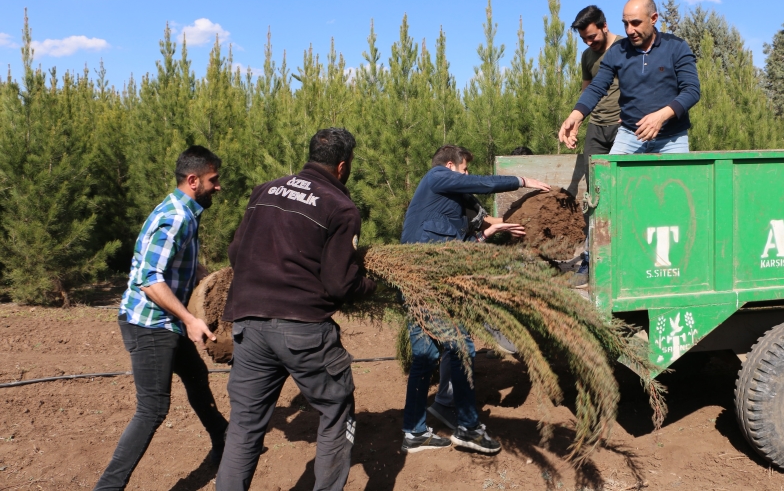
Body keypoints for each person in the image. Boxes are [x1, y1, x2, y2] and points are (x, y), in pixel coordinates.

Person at [215, 128, 375, 491]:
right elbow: (339, 283)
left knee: (243, 426)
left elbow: (236, 253)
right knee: (335, 412)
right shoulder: (340, 207)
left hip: (248, 326)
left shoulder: (265, 190)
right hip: (303, 330)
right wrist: (371, 286)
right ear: (341, 166)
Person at [399, 145, 550, 455]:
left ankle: (414, 432)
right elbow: (480, 183)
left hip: (420, 281)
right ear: (451, 166)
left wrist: (491, 231)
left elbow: (464, 246)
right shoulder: (437, 176)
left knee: (425, 356)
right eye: (465, 169)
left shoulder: (446, 210)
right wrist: (522, 181)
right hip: (427, 281)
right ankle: (468, 429)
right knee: (462, 349)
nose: (466, 175)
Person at [94, 146, 229, 491]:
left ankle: (225, 440)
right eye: (214, 180)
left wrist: (202, 274)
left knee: (197, 377)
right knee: (152, 409)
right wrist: (189, 319)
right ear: (193, 179)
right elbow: (150, 278)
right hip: (151, 325)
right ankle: (107, 487)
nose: (218, 186)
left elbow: (170, 264)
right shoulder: (176, 218)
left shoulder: (185, 210)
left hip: (163, 321)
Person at [558, 0, 701, 154]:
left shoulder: (677, 47)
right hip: (629, 136)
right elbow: (596, 87)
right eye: (625, 24)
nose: (629, 30)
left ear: (653, 18)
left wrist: (661, 116)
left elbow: (691, 91)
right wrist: (575, 116)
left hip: (672, 138)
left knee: (675, 180)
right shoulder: (617, 51)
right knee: (609, 178)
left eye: (635, 23)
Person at [571, 5, 623, 159]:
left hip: (623, 124)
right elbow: (587, 92)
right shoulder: (587, 55)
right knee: (592, 176)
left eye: (592, 36)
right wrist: (576, 124)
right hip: (596, 126)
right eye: (583, 39)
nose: (588, 42)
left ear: (604, 26)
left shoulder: (625, 47)